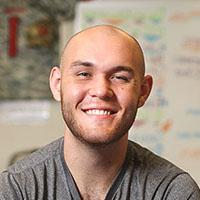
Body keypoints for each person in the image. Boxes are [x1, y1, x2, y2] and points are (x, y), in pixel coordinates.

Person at [0, 25, 200, 200]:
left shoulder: (171, 192)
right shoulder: (16, 190)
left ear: (143, 91)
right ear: (57, 84)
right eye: (84, 74)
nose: (101, 90)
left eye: (119, 77)